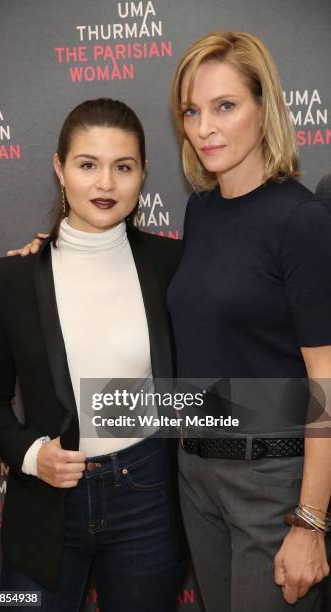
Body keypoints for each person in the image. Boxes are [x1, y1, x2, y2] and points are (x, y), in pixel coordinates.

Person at [0, 98, 188, 612]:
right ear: (59, 169)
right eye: (88, 165)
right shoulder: (11, 278)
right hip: (45, 504)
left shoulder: (173, 263)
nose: (105, 185)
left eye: (123, 167)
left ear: (143, 174)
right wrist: (30, 456)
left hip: (148, 499)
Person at [167, 31, 331, 611]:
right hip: (197, 474)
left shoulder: (301, 220)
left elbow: (326, 382)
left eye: (225, 106)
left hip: (273, 481)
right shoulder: (199, 210)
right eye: (192, 110)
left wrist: (310, 523)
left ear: (266, 110)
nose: (205, 126)